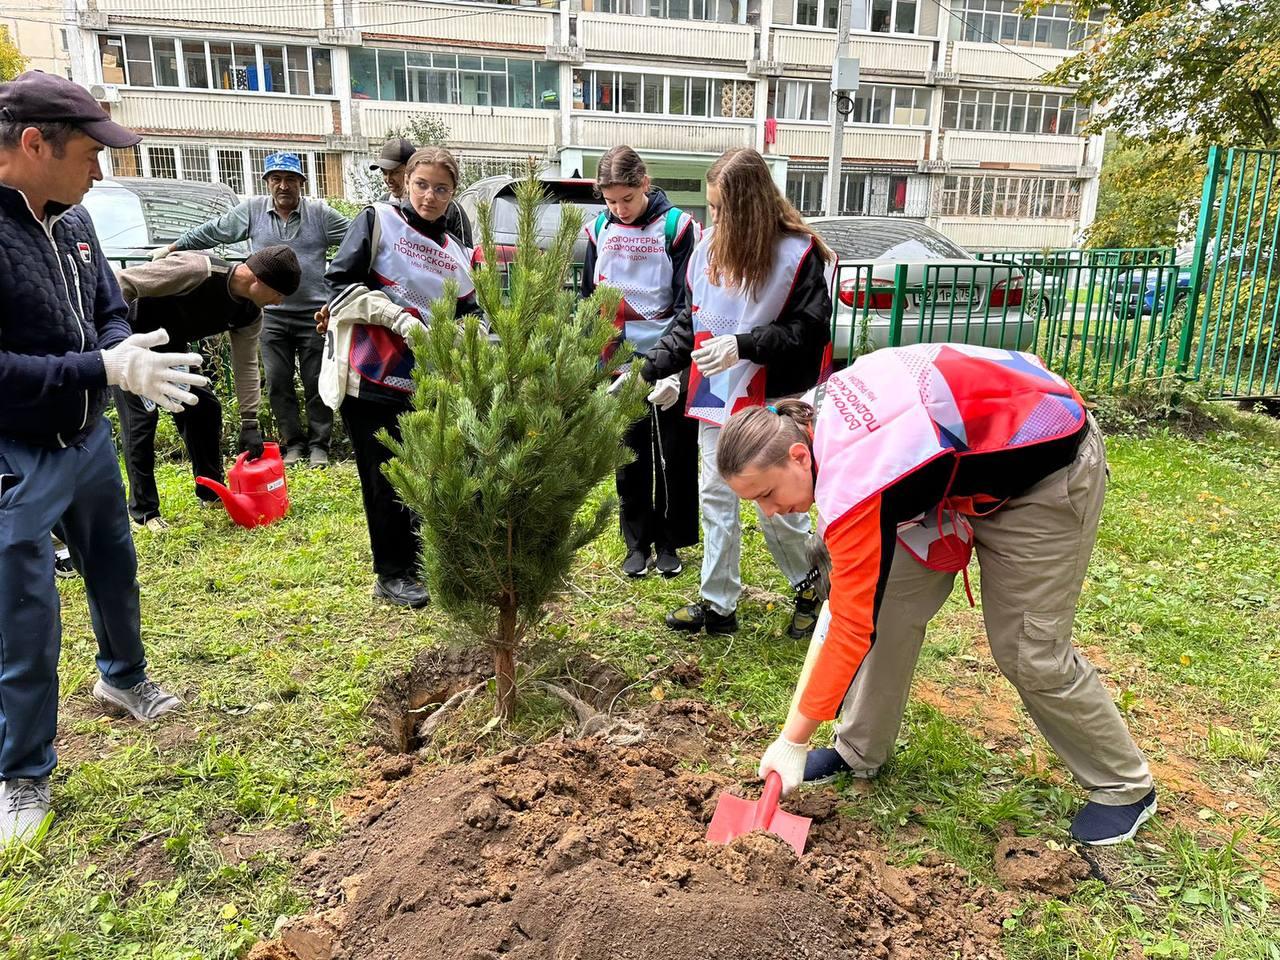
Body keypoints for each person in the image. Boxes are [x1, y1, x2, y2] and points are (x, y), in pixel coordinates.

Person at [727, 345, 1157, 845]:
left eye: (766, 495)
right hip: (950, 467)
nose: (771, 512)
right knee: (884, 606)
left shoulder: (852, 471)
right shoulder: (795, 421)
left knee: (1029, 649)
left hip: (1042, 468)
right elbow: (853, 605)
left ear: (800, 455)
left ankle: (1124, 787)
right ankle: (859, 748)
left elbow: (846, 627)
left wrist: (792, 740)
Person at [0, 72, 200, 845]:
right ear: (32, 144)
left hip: (87, 443)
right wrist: (100, 370)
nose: (99, 169)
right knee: (23, 614)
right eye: (89, 151)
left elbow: (109, 309)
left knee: (115, 569)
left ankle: (122, 678)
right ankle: (21, 771)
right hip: (17, 452)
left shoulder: (78, 222)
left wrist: (125, 352)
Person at [637, 147, 833, 637]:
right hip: (715, 395)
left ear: (752, 206)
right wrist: (656, 372)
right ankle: (718, 603)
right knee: (715, 499)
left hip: (772, 397)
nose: (715, 220)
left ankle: (811, 585)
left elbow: (808, 333)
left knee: (779, 511)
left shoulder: (798, 254)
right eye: (712, 209)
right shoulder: (707, 248)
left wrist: (745, 345)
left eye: (724, 210)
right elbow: (692, 320)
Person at [319, 146, 479, 608]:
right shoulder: (377, 221)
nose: (430, 196)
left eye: (442, 188)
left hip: (428, 379)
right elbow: (340, 286)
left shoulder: (455, 251)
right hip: (371, 377)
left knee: (424, 474)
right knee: (383, 476)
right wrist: (395, 316)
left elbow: (471, 307)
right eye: (422, 185)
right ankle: (391, 574)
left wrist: (471, 330)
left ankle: (421, 565)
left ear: (453, 193)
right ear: (407, 182)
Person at [152, 152, 350, 469]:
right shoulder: (253, 211)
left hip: (314, 316)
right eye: (276, 179)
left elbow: (356, 240)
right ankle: (294, 444)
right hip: (270, 316)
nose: (283, 186)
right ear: (268, 183)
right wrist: (175, 247)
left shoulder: (320, 214)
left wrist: (339, 289)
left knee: (316, 381)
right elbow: (214, 230)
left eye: (290, 179)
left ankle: (319, 446)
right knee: (277, 382)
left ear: (302, 182)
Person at [113, 246, 302, 529]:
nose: (278, 302)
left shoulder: (250, 313)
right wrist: (116, 337)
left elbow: (246, 365)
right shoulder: (195, 271)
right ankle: (144, 513)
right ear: (259, 281)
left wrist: (250, 423)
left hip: (172, 351)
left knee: (204, 408)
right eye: (279, 294)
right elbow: (122, 282)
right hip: (132, 345)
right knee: (141, 422)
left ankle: (210, 492)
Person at [585, 146, 700, 578]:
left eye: (627, 200)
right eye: (611, 201)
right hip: (618, 357)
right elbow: (589, 296)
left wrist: (675, 366)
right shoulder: (598, 228)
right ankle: (636, 541)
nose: (620, 209)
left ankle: (671, 541)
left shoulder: (679, 228)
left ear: (645, 184)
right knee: (629, 454)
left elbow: (691, 301)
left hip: (669, 355)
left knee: (674, 452)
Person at [370, 136, 473, 245]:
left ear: (410, 172)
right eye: (384, 173)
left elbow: (465, 255)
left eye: (395, 172)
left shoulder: (451, 209)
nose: (388, 179)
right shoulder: (380, 208)